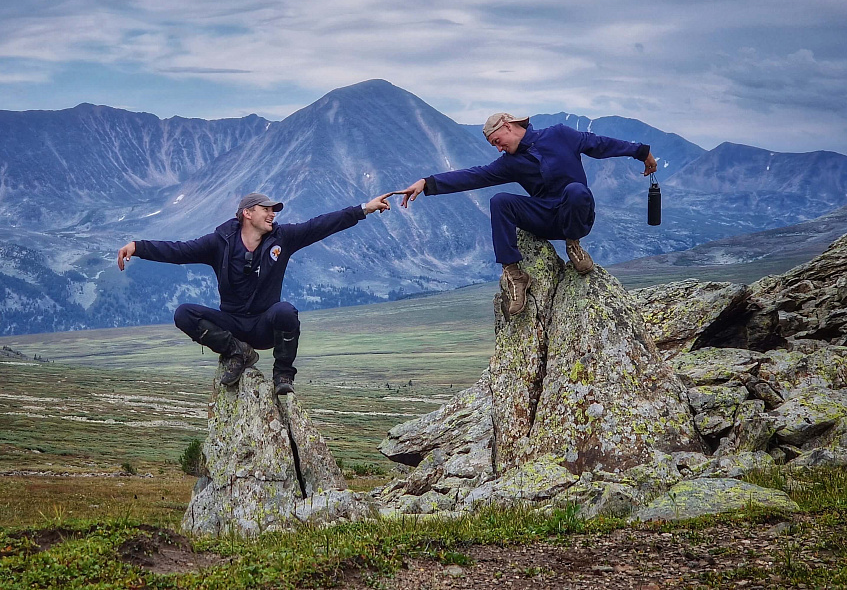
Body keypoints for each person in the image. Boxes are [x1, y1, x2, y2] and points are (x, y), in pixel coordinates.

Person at [116, 192, 392, 395]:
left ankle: (283, 374)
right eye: (266, 209)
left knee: (285, 310)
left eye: (274, 211)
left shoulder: (283, 238)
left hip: (264, 325)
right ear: (247, 213)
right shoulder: (219, 243)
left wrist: (364, 209)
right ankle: (238, 353)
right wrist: (138, 247)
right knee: (184, 313)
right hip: (233, 325)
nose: (273, 214)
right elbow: (179, 251)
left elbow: (321, 224)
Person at [398, 113, 657, 319]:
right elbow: (473, 176)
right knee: (500, 201)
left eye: (497, 141)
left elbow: (600, 144)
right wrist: (427, 183)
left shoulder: (560, 135)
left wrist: (641, 152)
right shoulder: (510, 162)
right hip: (544, 218)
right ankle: (515, 274)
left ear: (508, 126)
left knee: (576, 191)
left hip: (575, 214)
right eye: (493, 146)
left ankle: (574, 245)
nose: (498, 148)